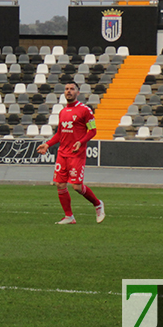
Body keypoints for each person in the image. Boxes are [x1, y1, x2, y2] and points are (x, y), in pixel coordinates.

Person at [37, 81, 105, 225]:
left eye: (72, 89)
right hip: (62, 153)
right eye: (67, 89)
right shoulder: (62, 112)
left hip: (76, 154)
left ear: (77, 92)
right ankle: (69, 217)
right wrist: (47, 144)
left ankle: (98, 204)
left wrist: (81, 141)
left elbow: (93, 131)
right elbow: (60, 134)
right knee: (60, 184)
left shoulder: (85, 110)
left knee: (77, 187)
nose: (69, 91)